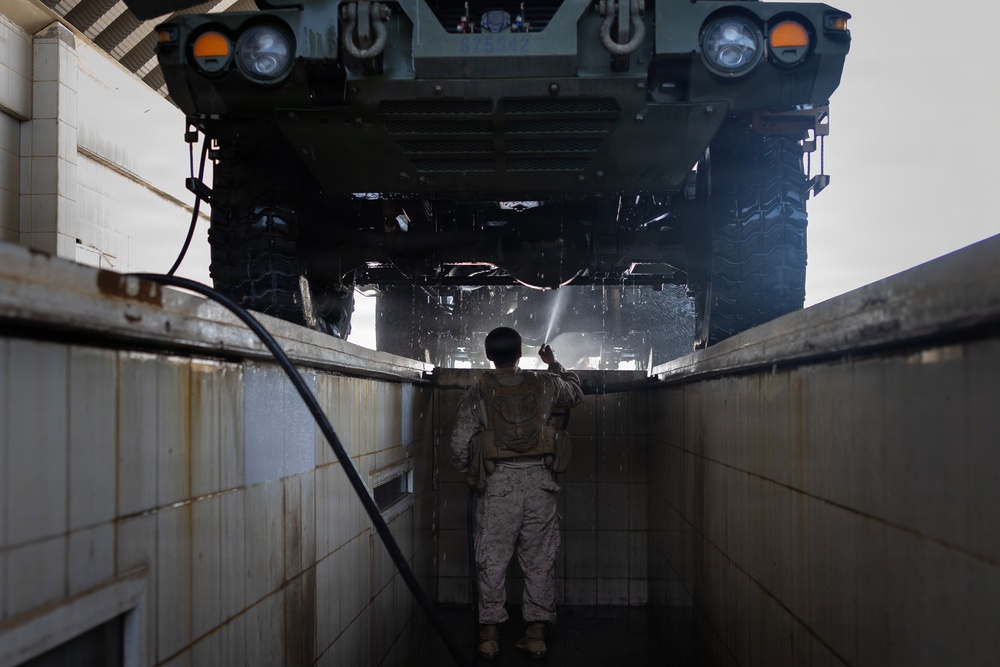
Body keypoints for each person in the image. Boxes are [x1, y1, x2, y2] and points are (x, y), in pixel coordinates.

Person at [450, 326, 583, 661]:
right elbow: (577, 395)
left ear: (489, 355)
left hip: (498, 487)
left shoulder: (478, 392)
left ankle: (489, 638)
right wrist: (554, 364)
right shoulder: (546, 383)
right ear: (521, 353)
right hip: (539, 484)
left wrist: (469, 469)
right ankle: (535, 637)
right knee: (540, 561)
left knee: (491, 562)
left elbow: (458, 444)